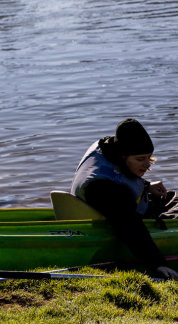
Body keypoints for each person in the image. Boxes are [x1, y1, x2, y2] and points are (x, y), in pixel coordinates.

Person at [71, 118, 178, 279]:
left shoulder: (107, 148)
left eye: (149, 158)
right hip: (118, 219)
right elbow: (130, 227)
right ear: (122, 156)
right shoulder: (103, 189)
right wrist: (158, 263)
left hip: (115, 208)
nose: (147, 165)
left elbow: (117, 175)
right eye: (140, 159)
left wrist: (146, 186)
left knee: (169, 196)